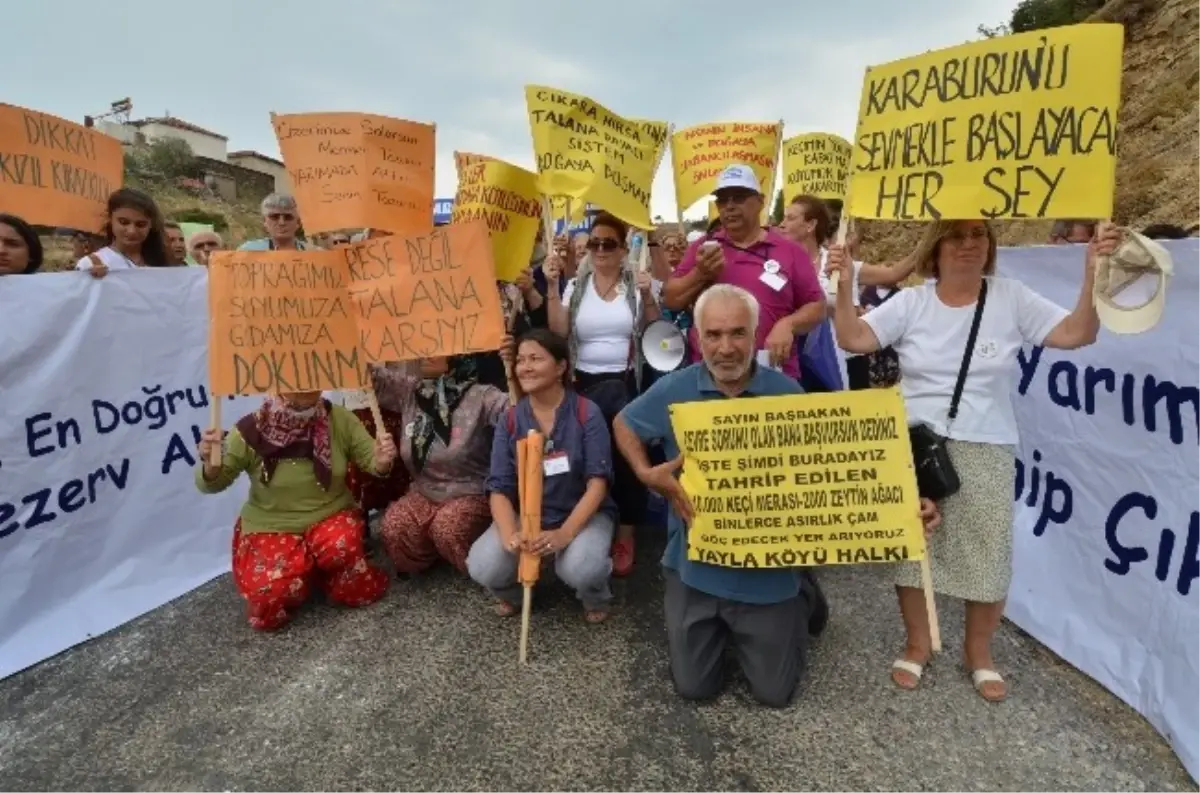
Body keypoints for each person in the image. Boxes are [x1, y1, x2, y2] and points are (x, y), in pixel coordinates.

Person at [614, 283, 948, 706]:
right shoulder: (673, 389)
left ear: (756, 334)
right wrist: (646, 473)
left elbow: (836, 475)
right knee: (694, 689)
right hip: (694, 568)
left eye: (738, 333)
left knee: (774, 694)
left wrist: (902, 505)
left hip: (768, 571)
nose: (726, 347)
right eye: (713, 335)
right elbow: (624, 424)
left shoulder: (787, 395)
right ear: (697, 338)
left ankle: (803, 593)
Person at [828, 218, 1119, 702]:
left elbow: (1076, 334)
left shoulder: (1011, 297)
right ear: (935, 246)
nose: (968, 245)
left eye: (978, 235)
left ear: (990, 245)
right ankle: (918, 644)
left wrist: (1093, 270)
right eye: (957, 235)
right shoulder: (914, 300)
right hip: (916, 444)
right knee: (914, 550)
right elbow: (854, 339)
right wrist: (842, 286)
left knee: (989, 552)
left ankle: (978, 652)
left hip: (987, 440)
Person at [195, 392, 396, 630]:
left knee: (342, 549)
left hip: (329, 515)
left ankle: (324, 572)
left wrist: (382, 460)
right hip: (272, 526)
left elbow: (371, 460)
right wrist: (211, 465)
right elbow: (213, 483)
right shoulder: (251, 429)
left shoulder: (339, 419)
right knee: (268, 597)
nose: (305, 388)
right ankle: (303, 573)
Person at [466, 329, 617, 623]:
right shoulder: (510, 419)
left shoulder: (587, 412)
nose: (525, 367)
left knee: (583, 568)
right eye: (520, 360)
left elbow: (598, 484)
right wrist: (512, 536)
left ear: (561, 366)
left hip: (582, 513)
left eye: (535, 358)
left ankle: (594, 595)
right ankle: (517, 592)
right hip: (530, 515)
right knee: (483, 566)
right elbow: (498, 487)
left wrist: (564, 534)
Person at [546, 212, 660, 576]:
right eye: (594, 243)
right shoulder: (576, 286)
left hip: (626, 381)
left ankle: (626, 531)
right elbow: (558, 329)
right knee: (588, 456)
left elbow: (655, 329)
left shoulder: (635, 282)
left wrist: (647, 294)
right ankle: (591, 522)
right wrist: (550, 288)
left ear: (624, 248)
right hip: (583, 382)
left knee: (626, 457)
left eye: (608, 243)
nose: (599, 250)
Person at [663, 165, 825, 381]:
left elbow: (817, 306)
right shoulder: (704, 248)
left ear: (760, 201)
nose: (729, 206)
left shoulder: (790, 251)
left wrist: (788, 324)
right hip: (712, 377)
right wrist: (700, 274)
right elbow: (671, 299)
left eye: (738, 197)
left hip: (772, 375)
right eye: (722, 200)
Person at [371, 355, 509, 575]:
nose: (426, 355)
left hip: (471, 492)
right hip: (425, 491)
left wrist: (513, 364)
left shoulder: (482, 396)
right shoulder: (411, 391)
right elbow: (370, 379)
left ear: (458, 357)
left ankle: (482, 565)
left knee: (447, 527)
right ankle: (431, 556)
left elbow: (519, 412)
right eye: (422, 349)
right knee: (393, 527)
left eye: (437, 349)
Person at [75, 188, 170, 276]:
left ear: (151, 225)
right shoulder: (92, 264)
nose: (131, 231)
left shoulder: (162, 261)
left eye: (140, 224)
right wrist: (90, 281)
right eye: (124, 222)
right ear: (110, 219)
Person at [238, 194, 309, 251]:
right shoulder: (248, 251)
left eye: (288, 217)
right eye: (274, 217)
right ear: (264, 221)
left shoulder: (315, 254)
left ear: (298, 222)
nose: (282, 222)